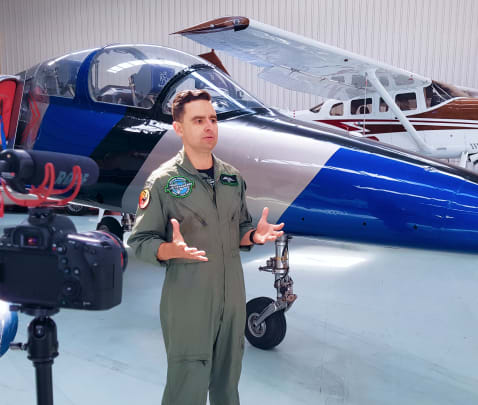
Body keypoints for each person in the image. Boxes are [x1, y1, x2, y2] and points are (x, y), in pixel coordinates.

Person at [127, 89, 284, 405]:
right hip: (189, 300)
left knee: (228, 385)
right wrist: (169, 250)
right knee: (187, 387)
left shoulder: (231, 178)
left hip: (232, 299)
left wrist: (253, 236)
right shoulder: (162, 182)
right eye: (198, 120)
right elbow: (140, 241)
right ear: (179, 128)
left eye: (212, 119)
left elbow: (239, 229)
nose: (209, 126)